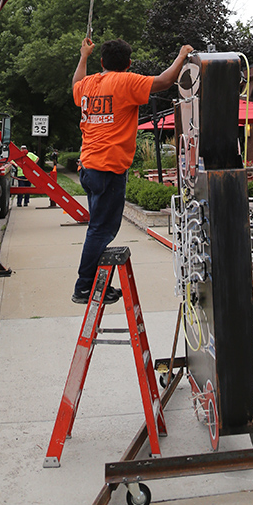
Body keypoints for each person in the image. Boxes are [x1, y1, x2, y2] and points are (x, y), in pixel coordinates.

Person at [71, 36, 193, 304]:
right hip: (109, 169)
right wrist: (182, 55)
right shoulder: (126, 81)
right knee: (101, 230)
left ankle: (97, 286)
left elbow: (75, 84)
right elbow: (164, 81)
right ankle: (85, 288)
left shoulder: (89, 84)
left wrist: (83, 56)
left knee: (98, 228)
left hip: (89, 167)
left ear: (101, 61)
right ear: (128, 64)